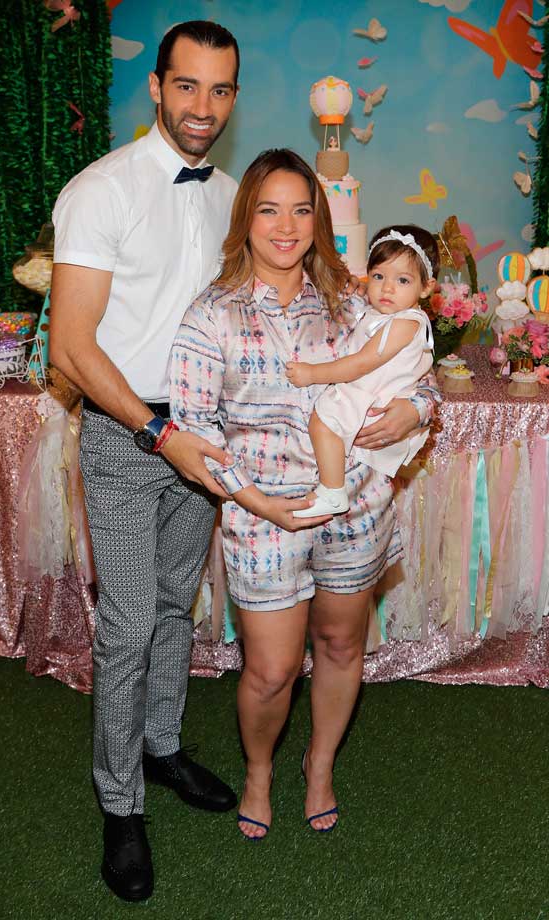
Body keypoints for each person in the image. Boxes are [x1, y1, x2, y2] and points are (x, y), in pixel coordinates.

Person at [169, 149, 440, 840]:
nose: (286, 225)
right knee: (270, 668)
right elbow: (192, 429)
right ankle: (259, 770)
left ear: (318, 217)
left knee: (342, 643)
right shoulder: (213, 315)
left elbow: (417, 368)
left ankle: (319, 765)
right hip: (264, 514)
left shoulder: (356, 295)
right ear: (246, 219)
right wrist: (253, 501)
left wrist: (418, 409)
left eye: (301, 208)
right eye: (269, 208)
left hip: (355, 505)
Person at [49, 20, 242, 903]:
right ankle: (119, 804)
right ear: (157, 88)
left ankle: (161, 747)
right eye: (188, 86)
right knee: (127, 622)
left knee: (174, 605)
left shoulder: (234, 194)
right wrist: (160, 434)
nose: (203, 107)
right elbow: (72, 347)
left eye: (221, 90)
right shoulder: (100, 190)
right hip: (129, 439)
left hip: (201, 435)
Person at [289, 224, 439, 517]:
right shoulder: (380, 313)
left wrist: (312, 374)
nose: (387, 288)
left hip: (370, 399)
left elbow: (361, 363)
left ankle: (332, 491)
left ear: (427, 287)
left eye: (403, 280)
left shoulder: (405, 322)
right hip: (367, 392)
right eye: (379, 276)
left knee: (323, 421)